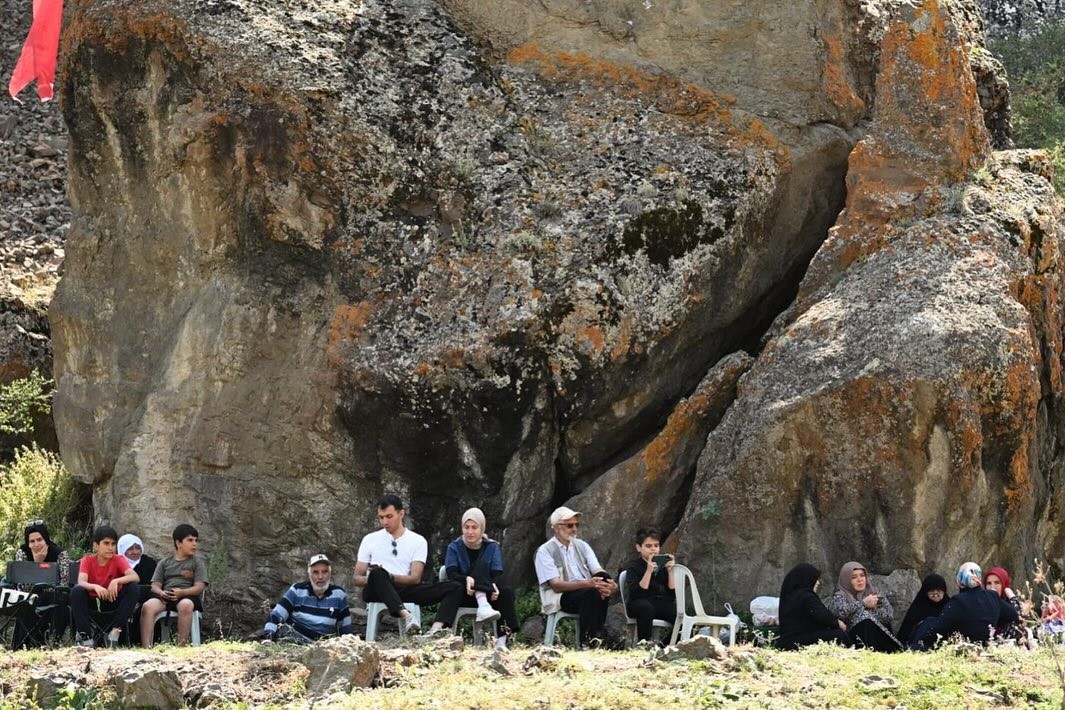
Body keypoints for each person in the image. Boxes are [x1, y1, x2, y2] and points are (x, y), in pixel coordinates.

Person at [352, 494, 465, 637]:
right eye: (381, 517)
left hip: (404, 588)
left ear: (401, 514)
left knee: (455, 587)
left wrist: (390, 577)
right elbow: (356, 578)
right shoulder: (370, 539)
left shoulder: (418, 541)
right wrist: (378, 577)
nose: (384, 522)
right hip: (376, 590)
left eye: (389, 516)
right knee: (378, 573)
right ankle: (407, 616)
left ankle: (435, 630)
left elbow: (415, 578)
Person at [534, 506, 618, 647]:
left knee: (603, 578)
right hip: (561, 597)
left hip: (587, 590)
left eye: (576, 525)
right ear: (555, 527)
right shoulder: (545, 551)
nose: (574, 529)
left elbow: (598, 570)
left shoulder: (582, 546)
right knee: (592, 592)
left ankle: (595, 637)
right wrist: (587, 584)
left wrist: (611, 585)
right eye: (569, 525)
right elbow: (556, 585)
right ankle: (588, 640)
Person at [444, 508, 518, 651]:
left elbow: (496, 572)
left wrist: (493, 585)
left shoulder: (491, 546)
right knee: (479, 566)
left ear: (482, 528)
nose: (470, 532)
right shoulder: (455, 546)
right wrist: (467, 579)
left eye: (474, 527)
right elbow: (451, 572)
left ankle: (502, 640)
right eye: (466, 527)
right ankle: (482, 604)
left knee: (506, 591)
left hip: (489, 593)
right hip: (466, 593)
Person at [911, 562, 1020, 648]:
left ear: (960, 580)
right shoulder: (992, 597)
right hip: (987, 644)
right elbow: (1014, 615)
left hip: (965, 646)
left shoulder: (959, 601)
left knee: (929, 622)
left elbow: (939, 628)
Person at [139, 524, 208, 647]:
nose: (195, 544)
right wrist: (161, 593)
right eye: (190, 540)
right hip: (166, 596)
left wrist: (182, 593)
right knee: (147, 606)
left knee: (185, 605)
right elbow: (155, 585)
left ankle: (181, 646)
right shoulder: (165, 562)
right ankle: (146, 647)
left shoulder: (197, 563)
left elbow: (199, 587)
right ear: (178, 543)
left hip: (188, 596)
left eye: (196, 540)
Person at [71, 525, 141, 648]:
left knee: (133, 588)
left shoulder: (118, 559)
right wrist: (95, 587)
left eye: (113, 544)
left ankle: (115, 633)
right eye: (106, 543)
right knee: (77, 591)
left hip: (113, 600)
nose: (110, 548)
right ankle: (86, 637)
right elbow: (81, 582)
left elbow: (135, 577)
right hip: (92, 602)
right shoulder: (87, 560)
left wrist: (116, 581)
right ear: (96, 546)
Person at [263, 554, 352, 643]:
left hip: (320, 647)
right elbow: (276, 615)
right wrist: (268, 637)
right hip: (292, 640)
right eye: (315, 572)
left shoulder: (339, 595)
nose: (320, 577)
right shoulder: (297, 590)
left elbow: (346, 630)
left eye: (324, 572)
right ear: (309, 575)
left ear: (330, 574)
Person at [11, 519, 71, 647]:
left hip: (55, 597)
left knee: (58, 601)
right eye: (32, 541)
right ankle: (26, 644)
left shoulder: (60, 554)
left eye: (39, 539)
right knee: (28, 601)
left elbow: (63, 584)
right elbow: (22, 588)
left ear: (46, 539)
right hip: (30, 597)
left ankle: (52, 641)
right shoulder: (23, 553)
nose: (36, 544)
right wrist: (37, 564)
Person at [827, 561, 902, 651]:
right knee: (863, 618)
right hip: (853, 641)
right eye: (854, 577)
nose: (860, 580)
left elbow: (889, 616)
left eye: (862, 575)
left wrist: (870, 609)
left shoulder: (873, 592)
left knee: (866, 618)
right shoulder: (839, 596)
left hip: (878, 637)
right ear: (846, 579)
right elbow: (838, 613)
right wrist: (863, 604)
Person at [775, 563, 850, 650]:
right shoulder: (806, 596)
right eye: (815, 579)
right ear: (806, 579)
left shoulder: (790, 595)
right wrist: (838, 623)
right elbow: (822, 616)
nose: (818, 583)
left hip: (788, 641)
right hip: (798, 641)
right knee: (839, 635)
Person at [621, 527, 676, 644]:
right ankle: (644, 643)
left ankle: (669, 645)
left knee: (678, 613)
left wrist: (670, 571)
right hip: (638, 603)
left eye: (656, 546)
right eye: (648, 546)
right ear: (639, 547)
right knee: (646, 608)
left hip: (658, 602)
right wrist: (649, 571)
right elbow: (637, 593)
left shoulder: (662, 566)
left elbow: (672, 594)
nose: (653, 550)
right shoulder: (633, 566)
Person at [896, 574, 950, 645]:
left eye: (939, 591)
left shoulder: (949, 606)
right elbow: (905, 634)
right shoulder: (918, 608)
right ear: (926, 592)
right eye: (932, 591)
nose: (935, 594)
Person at [984, 565, 1026, 644]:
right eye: (989, 583)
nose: (992, 587)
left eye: (997, 583)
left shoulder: (1010, 604)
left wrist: (1012, 597)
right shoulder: (982, 603)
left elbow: (1019, 619)